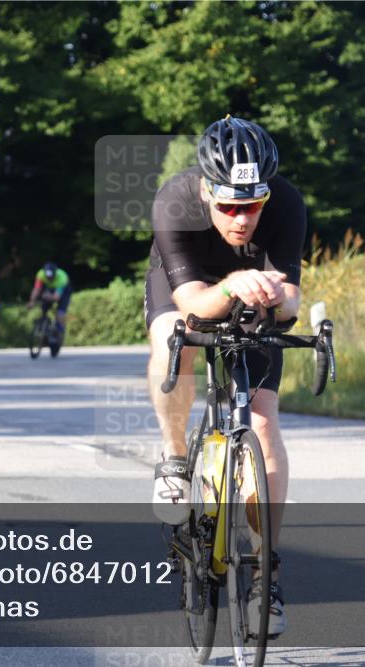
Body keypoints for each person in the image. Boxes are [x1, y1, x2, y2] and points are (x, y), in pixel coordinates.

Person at [144, 115, 306, 637]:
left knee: (262, 422)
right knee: (175, 336)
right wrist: (235, 282)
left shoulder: (286, 203)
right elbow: (191, 304)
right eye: (231, 207)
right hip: (187, 288)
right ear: (207, 192)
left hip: (250, 293)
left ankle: (263, 571)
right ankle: (173, 458)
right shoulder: (176, 201)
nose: (243, 219)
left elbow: (291, 299)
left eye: (252, 205)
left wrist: (280, 298)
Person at [27, 262, 71, 340]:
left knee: (60, 312)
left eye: (51, 277)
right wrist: (31, 301)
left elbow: (57, 297)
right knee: (44, 305)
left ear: (55, 274)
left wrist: (49, 297)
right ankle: (44, 324)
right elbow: (36, 289)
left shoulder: (62, 277)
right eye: (48, 277)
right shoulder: (41, 274)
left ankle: (60, 331)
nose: (49, 278)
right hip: (50, 288)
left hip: (63, 291)